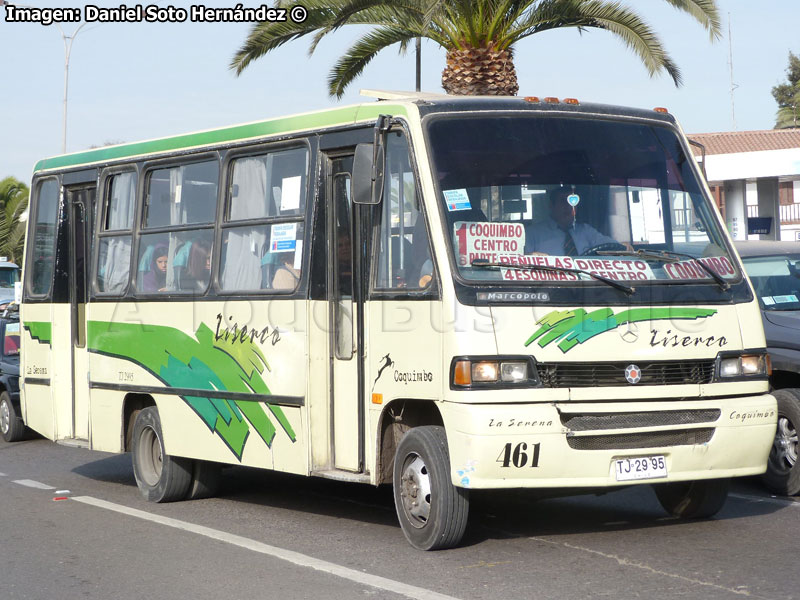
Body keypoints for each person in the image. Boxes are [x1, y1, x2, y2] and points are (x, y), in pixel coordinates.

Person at [525, 188, 631, 256]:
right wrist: (531, 257)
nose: (568, 206)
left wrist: (623, 246)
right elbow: (519, 260)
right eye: (563, 201)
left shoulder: (586, 231)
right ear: (551, 206)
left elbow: (610, 246)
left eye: (572, 202)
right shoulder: (532, 233)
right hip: (548, 287)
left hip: (586, 287)